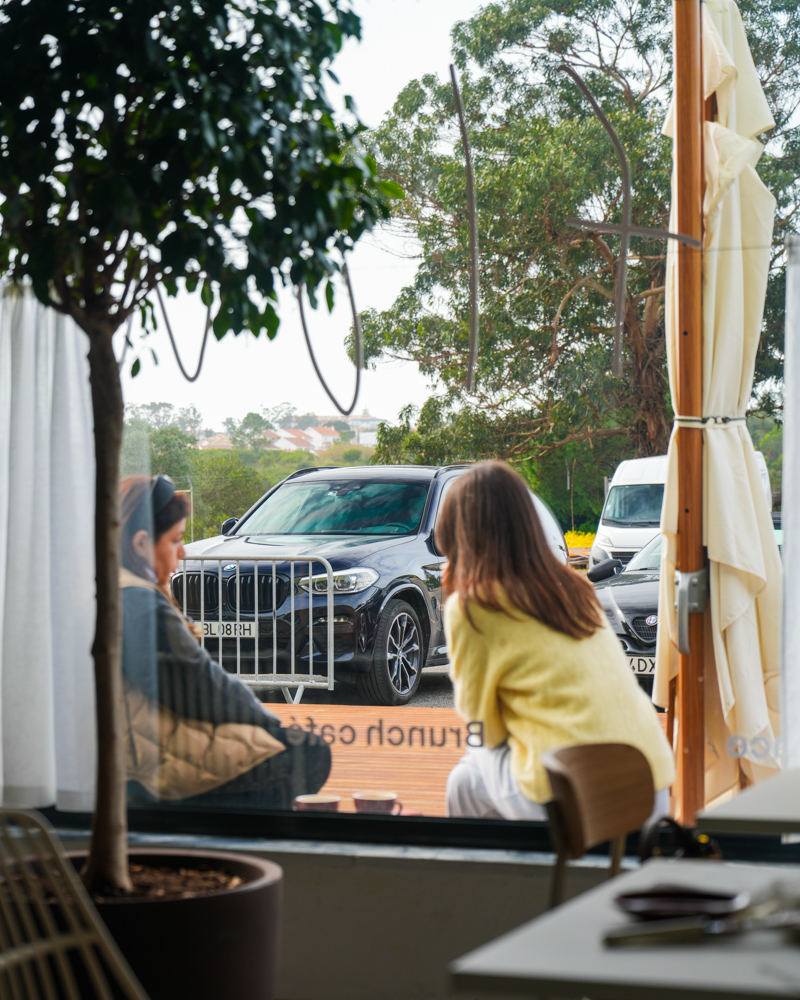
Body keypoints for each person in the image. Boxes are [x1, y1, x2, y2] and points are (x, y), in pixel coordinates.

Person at [438, 461, 675, 820]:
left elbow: (484, 727)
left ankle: (499, 873)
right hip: (649, 786)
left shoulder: (472, 607)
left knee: (465, 779)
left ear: (459, 536)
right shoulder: (576, 588)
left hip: (570, 795)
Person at [119, 474, 331, 810]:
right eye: (175, 541)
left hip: (133, 751)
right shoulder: (141, 603)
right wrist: (269, 724)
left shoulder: (112, 589)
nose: (183, 552)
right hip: (153, 768)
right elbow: (201, 686)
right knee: (310, 752)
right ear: (141, 543)